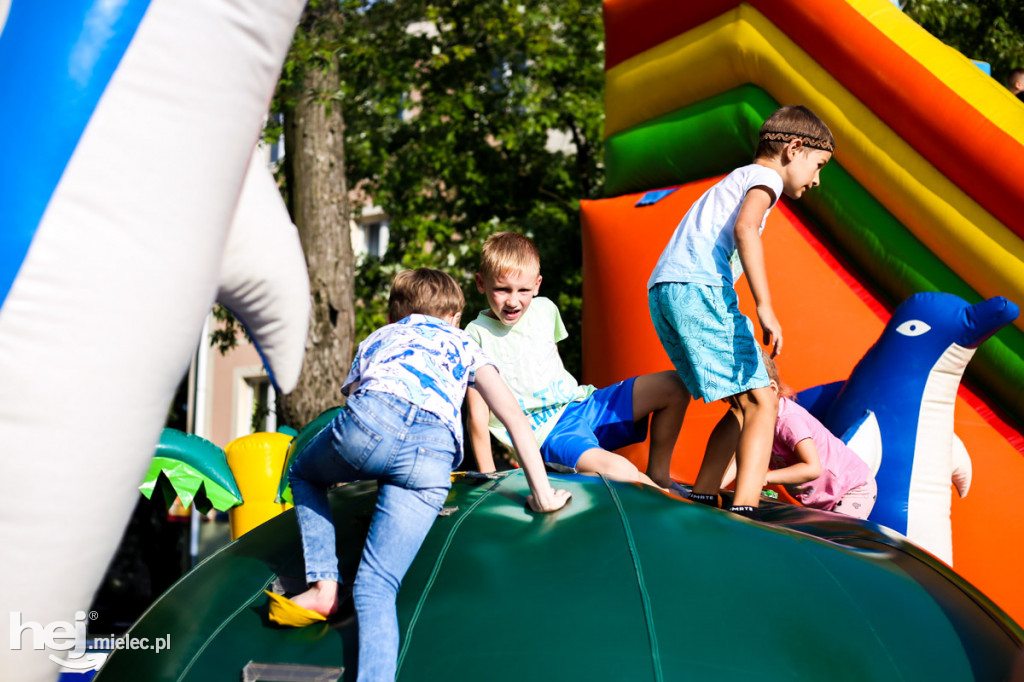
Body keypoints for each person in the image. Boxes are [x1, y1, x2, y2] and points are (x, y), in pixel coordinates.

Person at [285, 268, 571, 682]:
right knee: (377, 586)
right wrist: (542, 493)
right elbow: (512, 417)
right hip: (433, 454)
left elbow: (356, 399)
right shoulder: (464, 343)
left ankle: (323, 585)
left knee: (304, 473)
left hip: (371, 423)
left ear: (395, 314)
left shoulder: (381, 337)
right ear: (454, 317)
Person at [647, 105, 834, 518]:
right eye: (818, 165)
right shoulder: (765, 177)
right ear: (795, 148)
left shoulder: (737, 179)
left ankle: (704, 491)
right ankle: (745, 509)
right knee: (764, 401)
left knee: (742, 403)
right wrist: (765, 306)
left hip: (668, 290)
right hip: (698, 289)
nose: (818, 179)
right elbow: (745, 228)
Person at [465, 232, 689, 493]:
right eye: (502, 289)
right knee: (622, 471)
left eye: (523, 290)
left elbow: (552, 362)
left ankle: (660, 476)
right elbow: (477, 415)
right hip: (547, 432)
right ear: (481, 283)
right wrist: (488, 477)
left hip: (581, 404)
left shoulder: (545, 309)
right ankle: (678, 507)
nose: (513, 301)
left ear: (537, 285)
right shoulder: (475, 335)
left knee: (674, 386)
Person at [717, 352, 877, 519]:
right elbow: (738, 460)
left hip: (852, 488)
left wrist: (763, 477)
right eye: (734, 404)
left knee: (836, 536)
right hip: (821, 498)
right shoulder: (752, 419)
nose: (742, 411)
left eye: (745, 402)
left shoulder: (788, 421)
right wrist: (714, 488)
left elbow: (812, 468)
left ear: (771, 390)